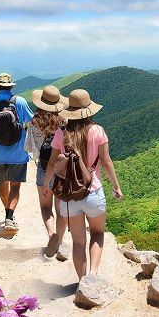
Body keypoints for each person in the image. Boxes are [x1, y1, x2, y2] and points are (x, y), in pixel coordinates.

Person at [52, 89, 123, 280]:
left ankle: (82, 282)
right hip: (93, 191)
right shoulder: (97, 131)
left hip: (69, 194)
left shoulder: (61, 133)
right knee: (98, 234)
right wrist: (116, 186)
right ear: (89, 110)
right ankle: (93, 275)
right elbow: (106, 161)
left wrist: (46, 187)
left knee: (77, 242)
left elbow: (53, 162)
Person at [0, 72, 33, 231]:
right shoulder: (20, 101)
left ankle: (7, 212)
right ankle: (10, 217)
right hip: (18, 152)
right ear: (11, 87)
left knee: (3, 183)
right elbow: (31, 122)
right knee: (15, 186)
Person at [24, 85, 68, 261]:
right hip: (62, 169)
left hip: (44, 168)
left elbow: (30, 149)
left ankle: (51, 235)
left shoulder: (34, 121)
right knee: (60, 209)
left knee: (45, 207)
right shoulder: (65, 121)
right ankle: (61, 241)